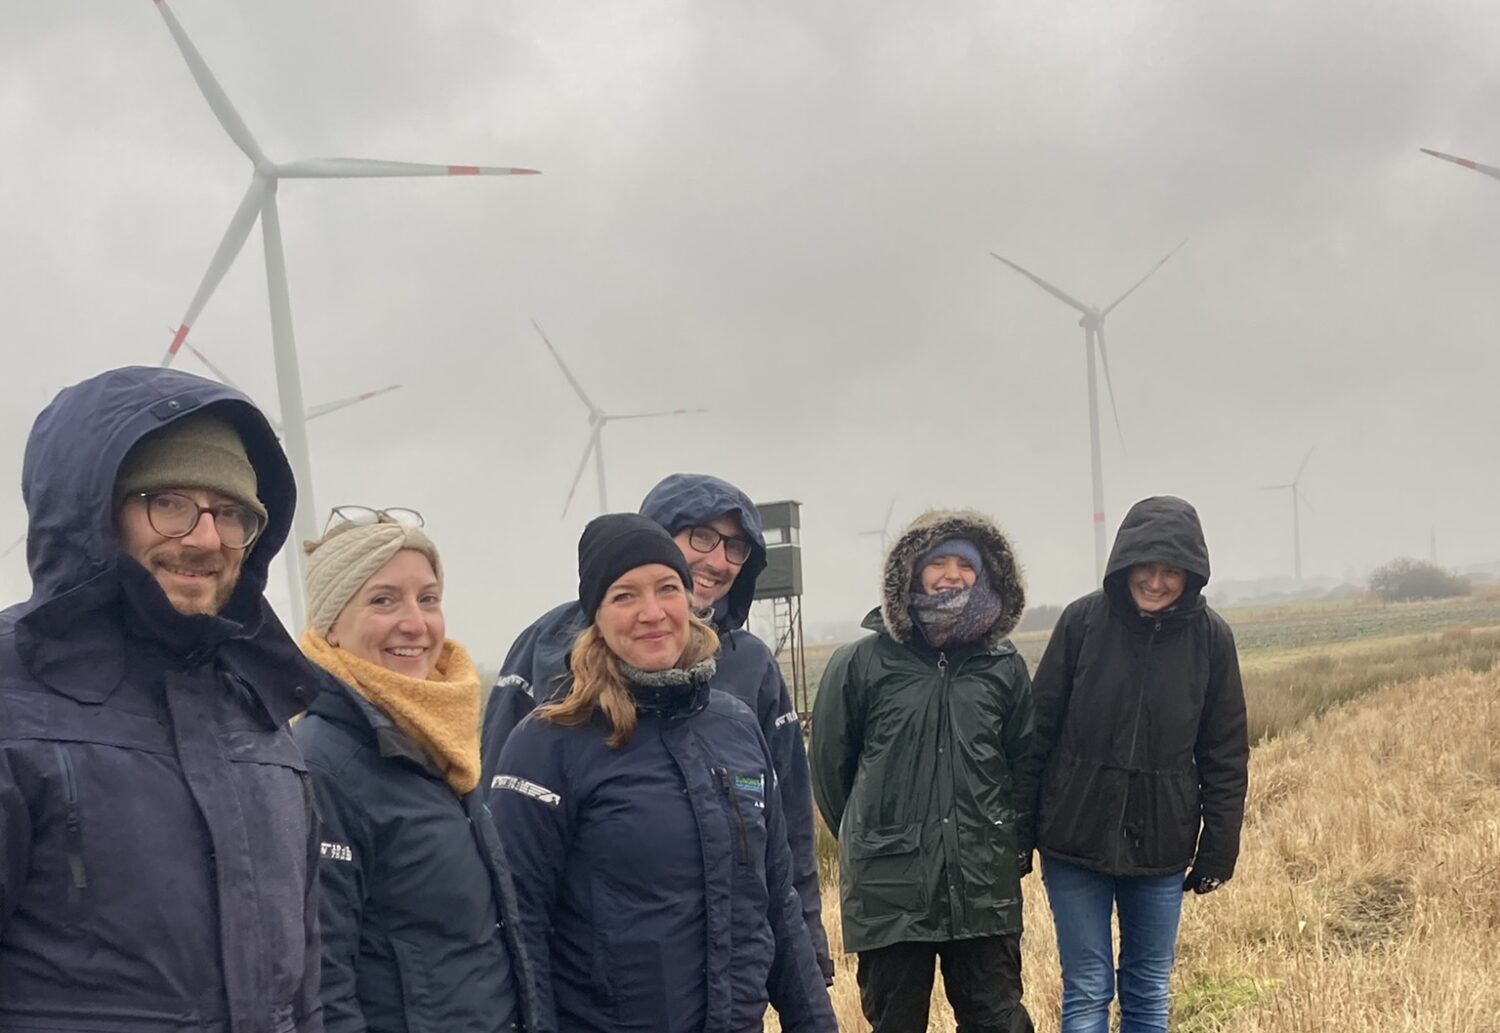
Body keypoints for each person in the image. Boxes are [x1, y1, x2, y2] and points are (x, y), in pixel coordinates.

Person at [0, 367, 323, 1032]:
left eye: (232, 513)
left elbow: (302, 988)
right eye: (168, 501)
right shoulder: (12, 696)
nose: (205, 538)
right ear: (95, 512)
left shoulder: (260, 710)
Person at [489, 514, 836, 1033]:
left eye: (667, 588)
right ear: (596, 617)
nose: (652, 613)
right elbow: (520, 928)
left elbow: (778, 905)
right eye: (625, 595)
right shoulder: (547, 744)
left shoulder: (736, 728)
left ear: (689, 598)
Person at [291, 508, 538, 1033]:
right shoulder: (321, 764)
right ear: (330, 625)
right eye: (383, 599)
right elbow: (321, 985)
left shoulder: (437, 740)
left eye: (428, 598)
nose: (416, 622)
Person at [1017, 496, 1249, 1033]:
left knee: (1147, 992)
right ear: (1125, 563)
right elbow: (1037, 734)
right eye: (1147, 566)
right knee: (1088, 988)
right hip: (1074, 840)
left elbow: (1224, 753)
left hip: (1162, 846)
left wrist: (1219, 846)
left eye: (1172, 571)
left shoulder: (1212, 639)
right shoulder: (1082, 623)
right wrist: (1017, 836)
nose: (1157, 581)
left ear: (1191, 575)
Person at [811, 509, 1036, 1033]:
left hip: (983, 884)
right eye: (939, 562)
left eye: (966, 564)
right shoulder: (859, 663)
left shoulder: (1003, 666)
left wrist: (1002, 844)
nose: (952, 575)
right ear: (910, 572)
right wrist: (881, 839)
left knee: (1000, 1022)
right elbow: (831, 775)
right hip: (890, 890)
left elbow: (1023, 768)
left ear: (987, 575)